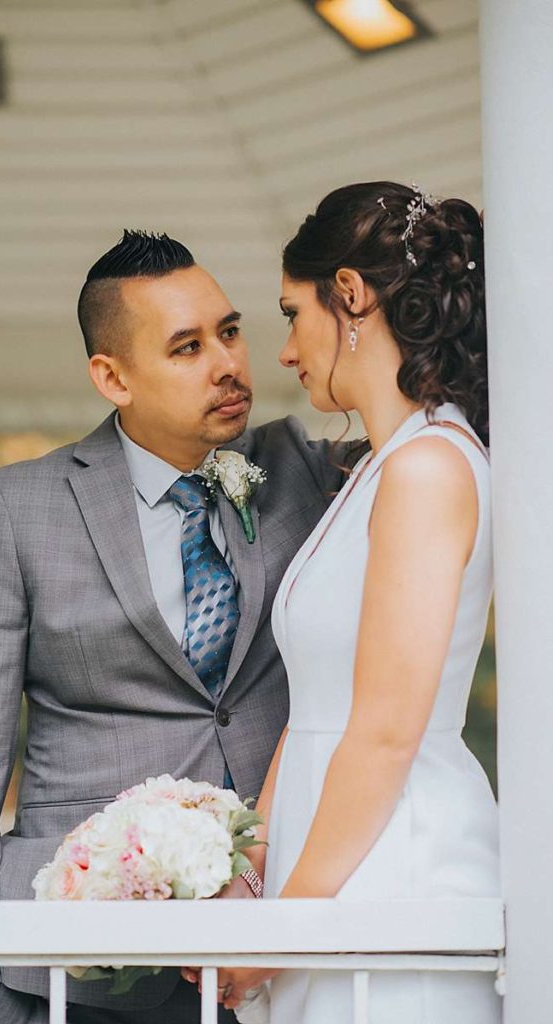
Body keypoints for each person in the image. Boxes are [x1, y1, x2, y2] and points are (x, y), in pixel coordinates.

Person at [0, 230, 354, 1024]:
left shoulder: (294, 470)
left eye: (231, 331)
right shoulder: (17, 511)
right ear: (112, 376)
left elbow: (431, 424)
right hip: (79, 969)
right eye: (186, 347)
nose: (227, 364)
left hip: (275, 952)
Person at [214, 182, 501, 1023]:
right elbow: (319, 710)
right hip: (326, 865)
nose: (288, 351)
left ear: (350, 296)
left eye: (290, 315)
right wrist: (251, 873)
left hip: (393, 865)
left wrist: (283, 933)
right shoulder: (374, 471)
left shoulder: (427, 468)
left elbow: (383, 730)